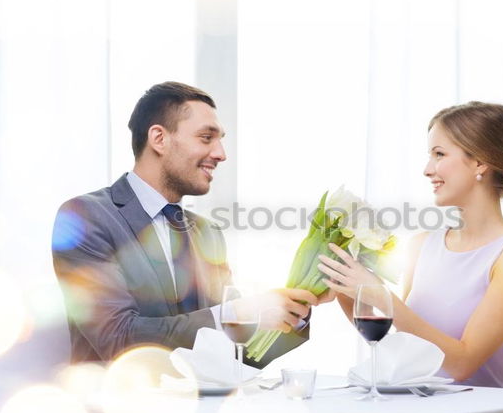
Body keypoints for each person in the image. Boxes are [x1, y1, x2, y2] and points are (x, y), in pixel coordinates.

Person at [52, 81, 330, 366]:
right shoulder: (86, 217)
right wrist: (233, 314)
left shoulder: (207, 233)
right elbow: (118, 338)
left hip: (200, 409)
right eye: (206, 138)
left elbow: (239, 354)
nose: (221, 154)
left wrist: (295, 307)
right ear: (159, 139)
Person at [318, 101, 503, 388]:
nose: (427, 169)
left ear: (480, 162)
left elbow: (462, 364)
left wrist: (380, 295)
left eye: (439, 154)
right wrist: (347, 289)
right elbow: (405, 350)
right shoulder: (422, 245)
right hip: (419, 411)